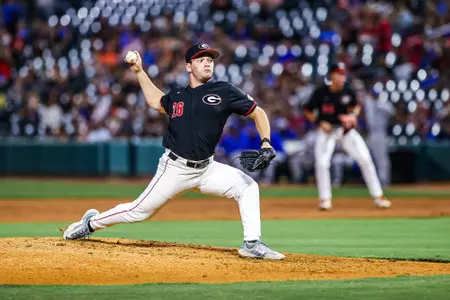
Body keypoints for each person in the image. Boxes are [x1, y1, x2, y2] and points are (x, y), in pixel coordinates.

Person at [63, 42, 285, 260]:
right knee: (139, 212)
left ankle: (252, 244)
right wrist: (139, 71)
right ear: (189, 66)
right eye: (201, 60)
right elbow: (157, 102)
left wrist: (266, 142)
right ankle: (90, 223)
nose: (208, 63)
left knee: (248, 187)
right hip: (175, 168)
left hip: (207, 169)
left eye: (210, 60)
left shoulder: (224, 91)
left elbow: (259, 113)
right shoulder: (178, 94)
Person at [302, 62, 391, 210]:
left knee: (365, 158)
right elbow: (307, 110)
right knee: (322, 163)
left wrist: (352, 116)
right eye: (338, 73)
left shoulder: (348, 90)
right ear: (331, 75)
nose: (341, 77)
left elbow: (356, 106)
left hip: (345, 131)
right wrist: (319, 122)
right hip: (327, 131)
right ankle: (325, 199)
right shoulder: (321, 92)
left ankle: (378, 196)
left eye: (343, 74)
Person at [364, 89, 395, 186]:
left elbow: (392, 112)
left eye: (376, 94)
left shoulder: (383, 104)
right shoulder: (368, 102)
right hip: (370, 134)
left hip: (380, 133)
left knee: (382, 159)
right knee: (365, 158)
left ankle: (384, 181)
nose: (374, 95)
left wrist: (378, 103)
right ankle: (370, 181)